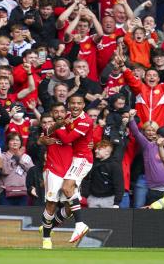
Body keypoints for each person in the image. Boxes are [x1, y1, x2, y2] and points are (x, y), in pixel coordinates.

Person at [47, 94, 93, 243]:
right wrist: (57, 125)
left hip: (83, 159)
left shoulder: (86, 121)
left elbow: (67, 139)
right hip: (72, 159)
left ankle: (80, 225)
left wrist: (58, 125)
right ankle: (51, 225)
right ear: (68, 104)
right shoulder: (66, 116)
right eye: (72, 103)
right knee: (68, 201)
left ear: (83, 105)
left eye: (79, 103)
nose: (75, 106)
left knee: (67, 189)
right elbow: (47, 132)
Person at [38, 103, 74, 249]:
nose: (59, 113)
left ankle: (48, 226)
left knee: (72, 207)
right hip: (53, 170)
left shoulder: (73, 129)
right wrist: (42, 139)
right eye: (56, 112)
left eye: (61, 111)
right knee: (51, 203)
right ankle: (46, 238)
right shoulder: (50, 129)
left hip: (70, 172)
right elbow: (42, 137)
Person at [81, 140, 124, 208]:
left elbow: (119, 185)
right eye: (96, 148)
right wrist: (84, 195)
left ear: (107, 152)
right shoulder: (92, 163)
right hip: (92, 198)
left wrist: (116, 203)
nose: (96, 151)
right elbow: (86, 180)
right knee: (91, 218)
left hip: (109, 199)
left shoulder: (115, 166)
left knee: (107, 218)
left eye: (99, 149)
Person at [0, 132, 34, 206]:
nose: (15, 142)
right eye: (12, 140)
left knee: (22, 216)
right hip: (5, 192)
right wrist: (14, 158)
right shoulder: (2, 156)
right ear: (8, 143)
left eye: (17, 140)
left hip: (22, 193)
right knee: (6, 217)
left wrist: (20, 158)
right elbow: (5, 171)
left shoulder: (26, 157)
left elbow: (31, 173)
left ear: (21, 143)